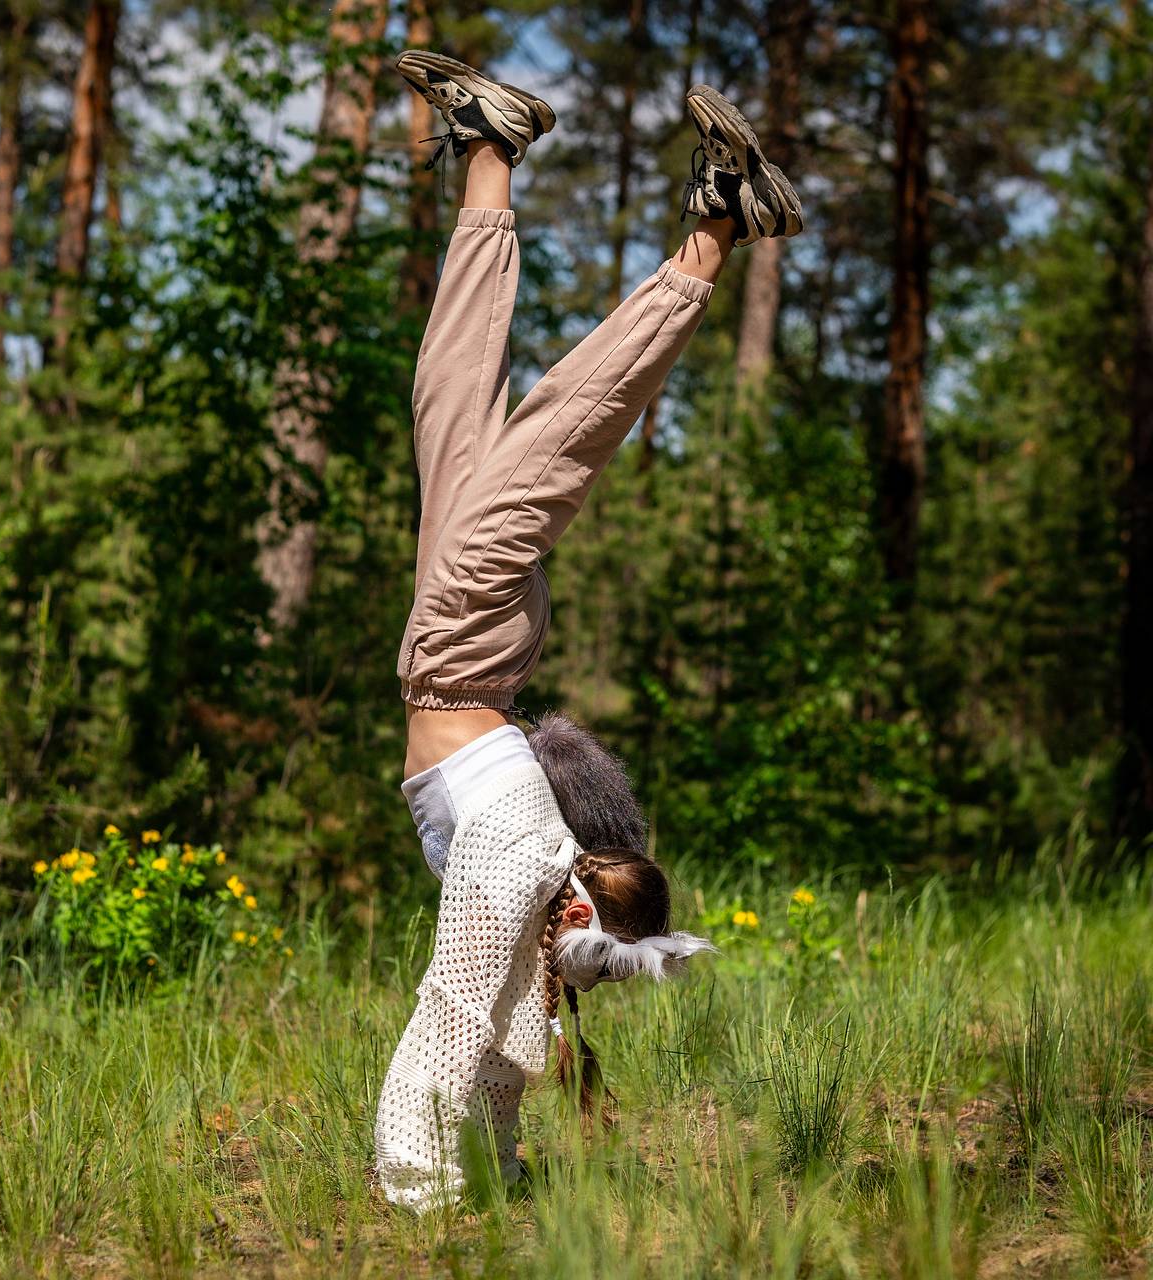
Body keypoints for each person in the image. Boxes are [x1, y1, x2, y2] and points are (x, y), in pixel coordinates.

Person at [375, 50, 804, 1212]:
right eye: (580, 932)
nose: (564, 941)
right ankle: (713, 233)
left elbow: (501, 1016)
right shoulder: (527, 857)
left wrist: (503, 1161)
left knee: (445, 397)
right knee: (566, 422)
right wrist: (417, 1189)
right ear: (578, 906)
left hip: (461, 642)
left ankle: (488, 147)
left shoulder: (534, 911)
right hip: (460, 641)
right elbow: (455, 1005)